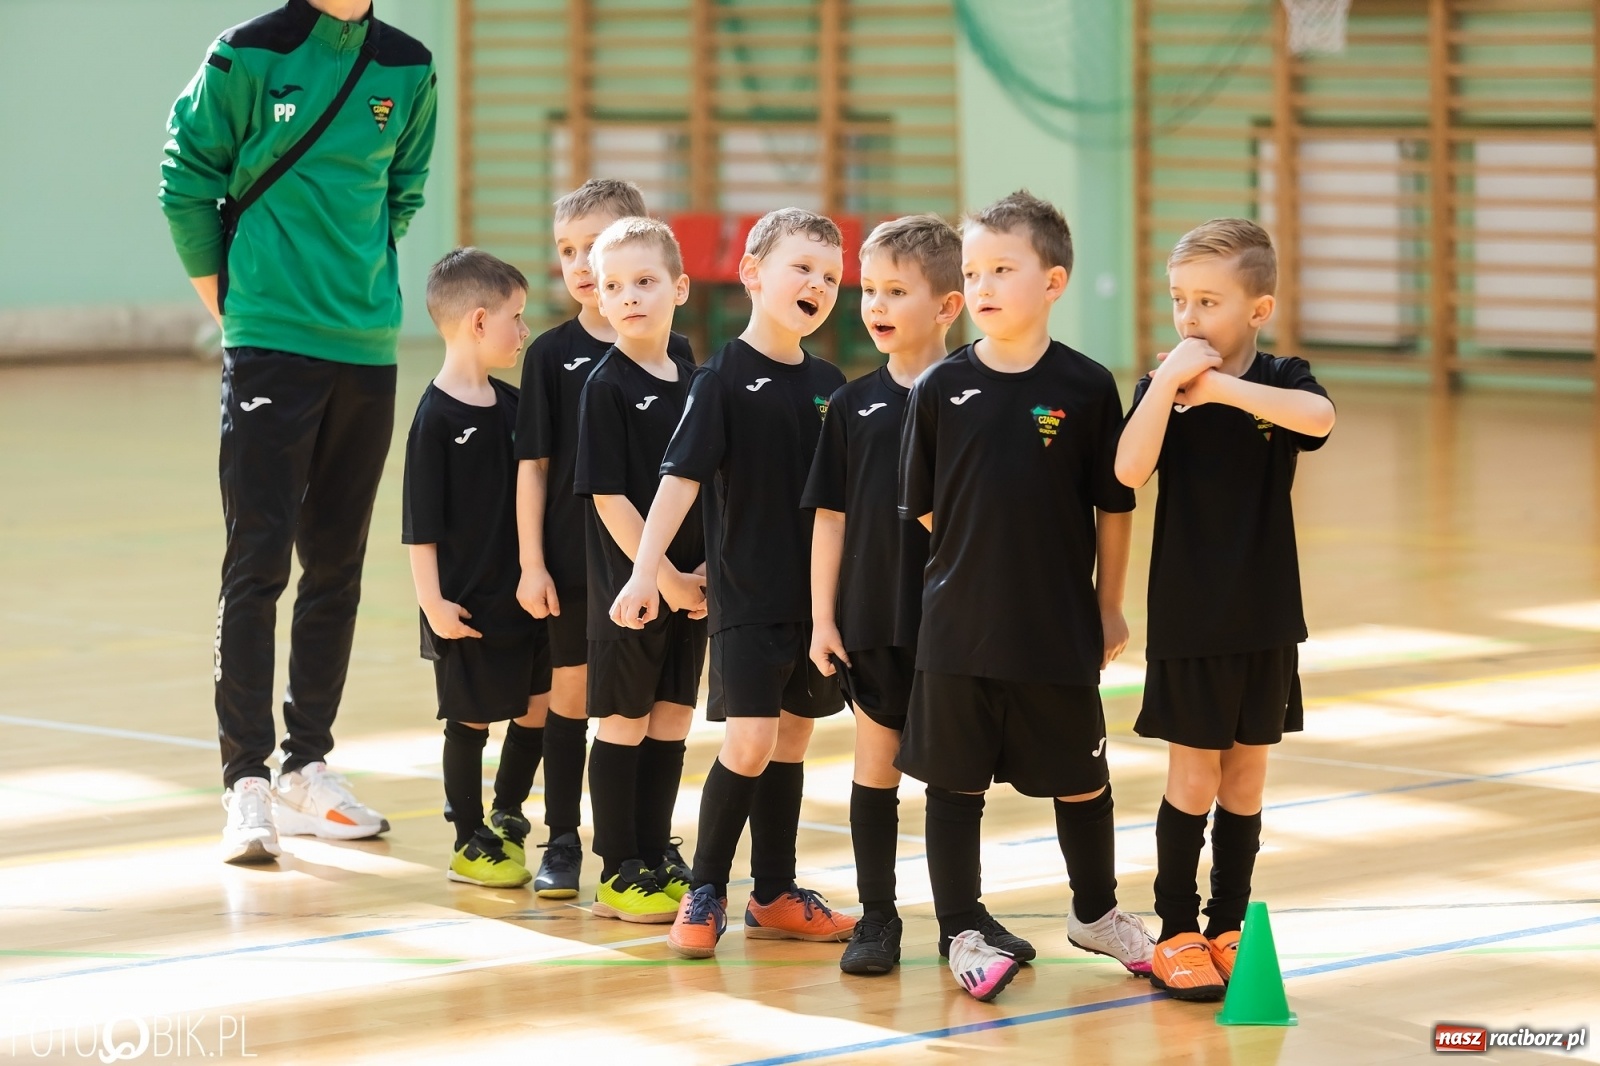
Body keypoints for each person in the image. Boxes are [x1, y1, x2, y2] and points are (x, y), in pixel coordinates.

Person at [159, 0, 437, 863]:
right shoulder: (245, 54)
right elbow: (184, 180)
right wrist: (237, 305)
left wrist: (354, 294)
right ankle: (245, 780)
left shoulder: (410, 64)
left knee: (337, 563)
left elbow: (403, 193)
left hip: (365, 347)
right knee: (258, 561)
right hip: (269, 341)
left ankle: (306, 766)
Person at [896, 190, 1153, 1001]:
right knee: (955, 785)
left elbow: (1113, 509)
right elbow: (929, 506)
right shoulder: (939, 387)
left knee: (1082, 780)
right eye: (974, 271)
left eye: (1004, 268)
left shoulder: (1085, 387)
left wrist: (1108, 603)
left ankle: (1096, 912)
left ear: (1055, 281)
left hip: (1057, 628)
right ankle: (962, 927)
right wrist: (980, 573)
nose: (984, 284)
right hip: (960, 631)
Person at [612, 208, 858, 960]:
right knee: (749, 741)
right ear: (753, 273)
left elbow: (846, 505)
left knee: (790, 740)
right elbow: (678, 481)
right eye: (801, 267)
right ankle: (708, 887)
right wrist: (644, 571)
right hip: (745, 598)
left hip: (816, 605)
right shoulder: (720, 376)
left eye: (829, 275)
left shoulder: (829, 384)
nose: (816, 283)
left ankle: (775, 892)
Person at [1114, 217, 1335, 1002]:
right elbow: (1129, 468)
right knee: (1193, 777)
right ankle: (1175, 930)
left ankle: (1228, 925)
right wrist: (1173, 383)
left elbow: (1321, 419)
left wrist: (1225, 390)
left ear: (1257, 308)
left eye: (1208, 301)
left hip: (1268, 617)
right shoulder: (1162, 390)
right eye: (1179, 300)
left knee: (1246, 779)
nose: (1190, 317)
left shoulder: (1283, 379)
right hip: (1190, 619)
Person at [512, 178, 695, 897]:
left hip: (656, 561)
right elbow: (535, 470)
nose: (585, 263)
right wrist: (532, 561)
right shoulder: (555, 357)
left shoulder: (676, 350)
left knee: (659, 705)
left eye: (598, 245)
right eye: (570, 250)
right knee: (577, 699)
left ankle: (650, 844)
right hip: (575, 554)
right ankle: (566, 838)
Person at [803, 214, 964, 975]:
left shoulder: (974, 398)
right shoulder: (850, 404)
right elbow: (829, 519)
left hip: (957, 622)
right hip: (872, 617)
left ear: (947, 307)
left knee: (952, 775)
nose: (875, 305)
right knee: (876, 766)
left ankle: (961, 922)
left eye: (896, 290)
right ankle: (878, 916)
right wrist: (821, 617)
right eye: (869, 290)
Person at [573, 217, 707, 922]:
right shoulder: (605, 386)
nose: (628, 297)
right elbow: (608, 495)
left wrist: (703, 572)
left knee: (672, 719)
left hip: (691, 589)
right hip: (631, 590)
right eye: (614, 285)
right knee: (624, 721)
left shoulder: (693, 377)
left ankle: (656, 857)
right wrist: (662, 579)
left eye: (645, 282)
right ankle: (618, 868)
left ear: (678, 287)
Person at [402, 249, 538, 888]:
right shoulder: (434, 419)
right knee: (472, 719)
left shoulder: (513, 407)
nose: (524, 329)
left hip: (522, 598)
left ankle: (507, 812)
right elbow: (420, 525)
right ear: (479, 322)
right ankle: (467, 837)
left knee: (534, 709)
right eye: (517, 316)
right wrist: (432, 603)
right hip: (464, 604)